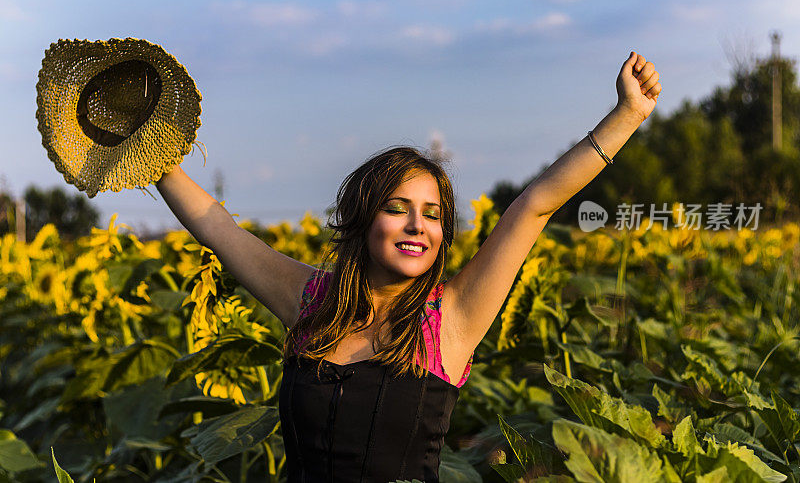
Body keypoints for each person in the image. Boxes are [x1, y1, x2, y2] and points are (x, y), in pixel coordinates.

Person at [155, 51, 661, 482]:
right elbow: (219, 230)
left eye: (433, 215)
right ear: (361, 219)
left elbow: (535, 204)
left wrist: (628, 115)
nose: (418, 225)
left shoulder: (451, 321)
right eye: (398, 208)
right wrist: (148, 153)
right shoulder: (311, 303)